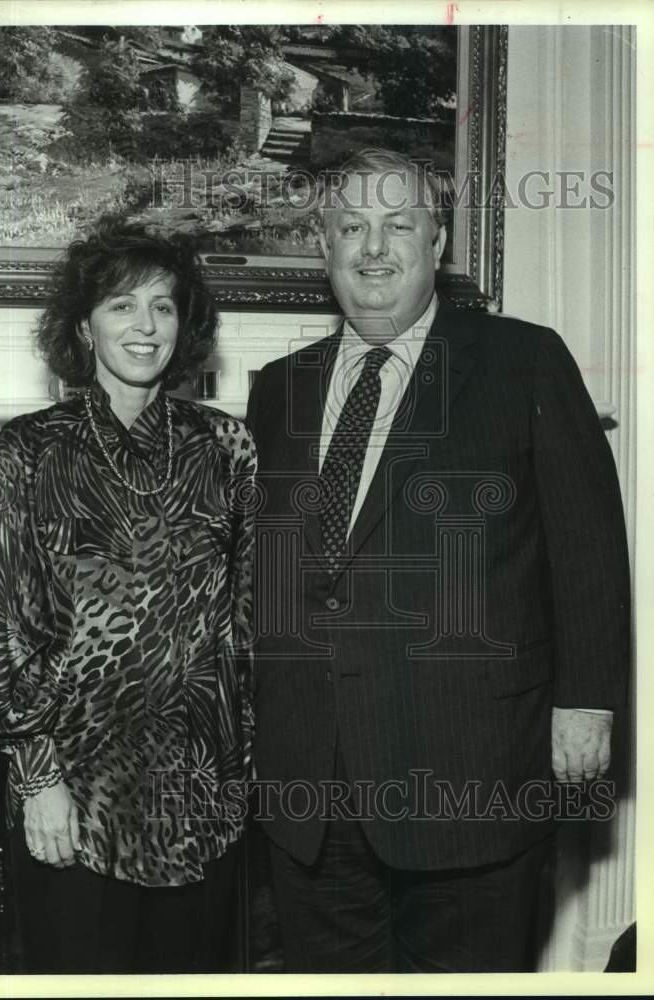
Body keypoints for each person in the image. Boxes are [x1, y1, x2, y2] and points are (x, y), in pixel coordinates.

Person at [245, 148, 630, 973]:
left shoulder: (519, 360)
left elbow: (587, 545)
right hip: (312, 784)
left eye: (397, 225)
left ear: (437, 242)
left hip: (472, 766)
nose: (372, 248)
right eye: (351, 226)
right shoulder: (277, 388)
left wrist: (587, 705)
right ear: (324, 246)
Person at [0, 216, 256, 974]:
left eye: (163, 306)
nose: (145, 326)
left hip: (204, 793)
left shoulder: (225, 446)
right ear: (83, 326)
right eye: (122, 305)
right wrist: (38, 782)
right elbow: (9, 631)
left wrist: (247, 777)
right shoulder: (31, 449)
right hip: (78, 793)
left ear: (184, 325)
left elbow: (247, 622)